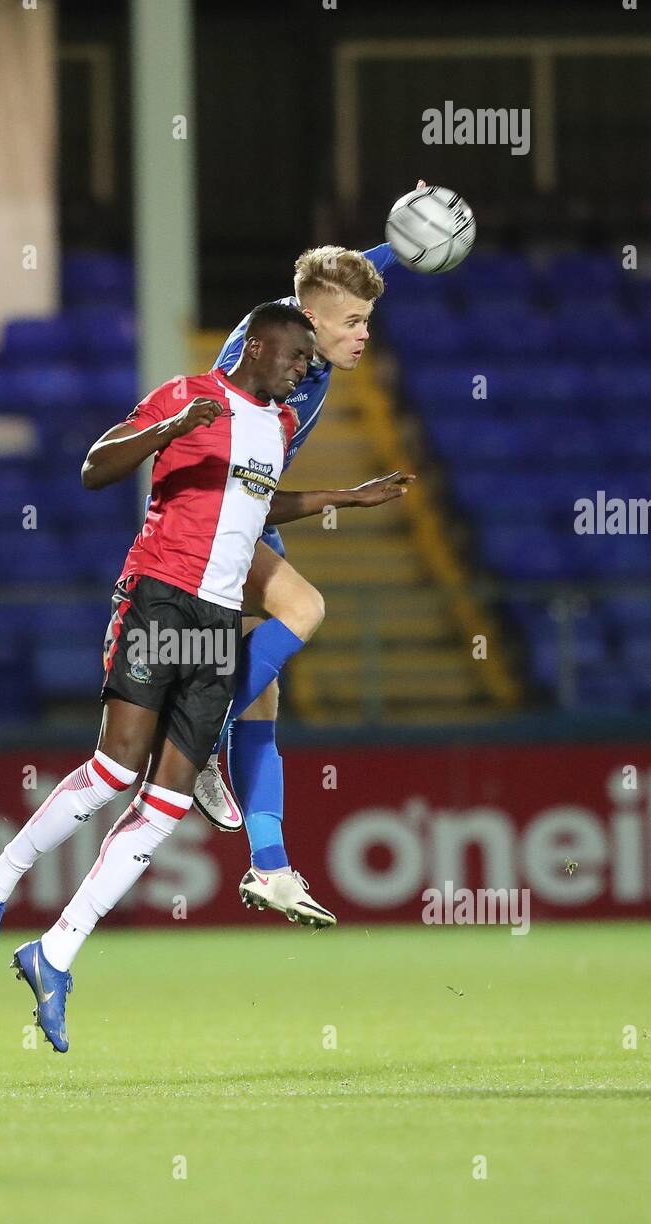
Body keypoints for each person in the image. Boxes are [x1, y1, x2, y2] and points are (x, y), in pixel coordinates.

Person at [0, 302, 315, 1051]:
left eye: (308, 363)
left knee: (168, 804)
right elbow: (95, 466)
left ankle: (55, 952)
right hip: (160, 594)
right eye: (294, 356)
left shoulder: (278, 429)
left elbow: (251, 510)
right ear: (256, 345)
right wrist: (168, 432)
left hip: (218, 619)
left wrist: (340, 501)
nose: (302, 370)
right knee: (116, 768)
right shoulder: (192, 394)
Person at [192, 217, 421, 927]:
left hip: (248, 515)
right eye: (353, 322)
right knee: (304, 609)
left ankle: (270, 867)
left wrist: (406, 240)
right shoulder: (263, 358)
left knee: (264, 695)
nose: (364, 334)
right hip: (207, 519)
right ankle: (192, 731)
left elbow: (330, 283)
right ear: (309, 322)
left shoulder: (304, 339)